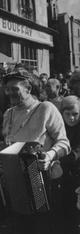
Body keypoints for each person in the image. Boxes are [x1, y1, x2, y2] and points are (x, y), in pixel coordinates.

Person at [1, 69, 70, 234]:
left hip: (42, 181)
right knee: (20, 225)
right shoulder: (8, 114)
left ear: (28, 89)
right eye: (7, 89)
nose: (10, 93)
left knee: (41, 226)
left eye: (15, 89)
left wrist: (49, 155)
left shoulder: (46, 108)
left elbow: (64, 142)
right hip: (16, 183)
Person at [59, 96, 80, 234]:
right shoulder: (59, 128)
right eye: (67, 114)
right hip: (63, 178)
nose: (71, 118)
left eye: (75, 114)